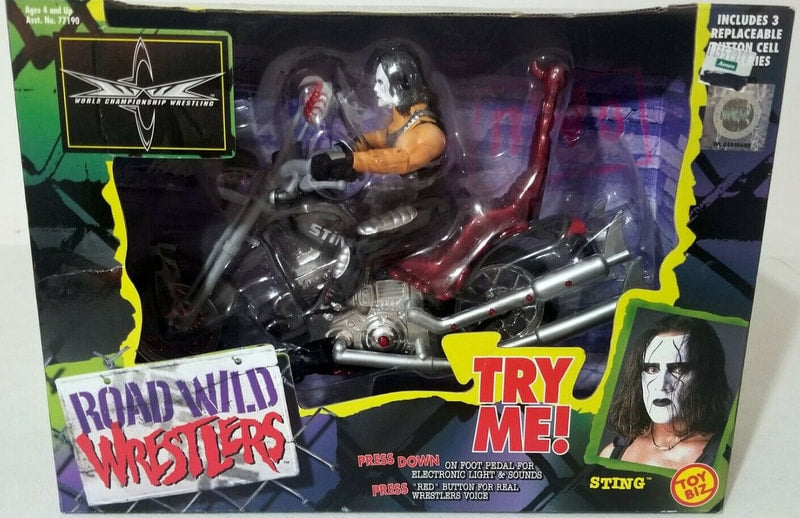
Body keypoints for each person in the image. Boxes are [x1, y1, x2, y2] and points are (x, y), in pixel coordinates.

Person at [600, 315, 732, 470]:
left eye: (678, 369)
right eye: (652, 369)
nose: (661, 385)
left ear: (706, 376)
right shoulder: (612, 453)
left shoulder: (723, 457)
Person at [310, 48, 446, 181]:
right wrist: (344, 150)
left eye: (380, 82)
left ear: (398, 85)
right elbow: (375, 139)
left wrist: (353, 160)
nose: (375, 88)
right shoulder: (404, 124)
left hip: (429, 192)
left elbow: (404, 160)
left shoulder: (429, 132)